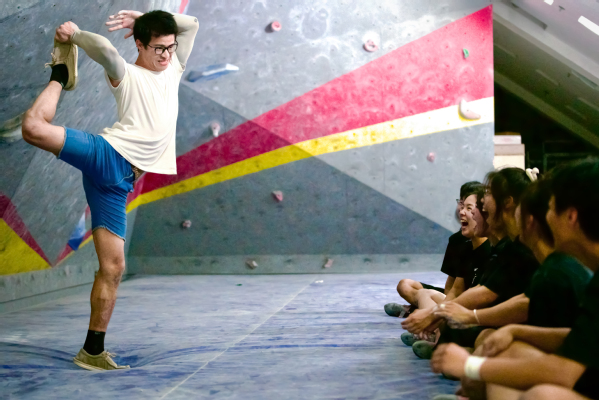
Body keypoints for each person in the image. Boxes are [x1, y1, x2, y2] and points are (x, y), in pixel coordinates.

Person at [21, 9, 199, 370]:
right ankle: (60, 74)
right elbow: (106, 50)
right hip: (108, 156)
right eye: (158, 48)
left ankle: (92, 350)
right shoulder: (127, 74)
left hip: (119, 185)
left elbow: (192, 24)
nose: (166, 55)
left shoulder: (174, 68)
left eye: (170, 47)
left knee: (114, 268)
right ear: (140, 45)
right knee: (34, 128)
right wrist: (75, 35)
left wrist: (144, 17)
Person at [430, 158, 599, 400]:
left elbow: (564, 371)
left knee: (542, 394)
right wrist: (516, 331)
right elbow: (581, 338)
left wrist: (470, 366)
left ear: (571, 217)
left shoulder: (556, 271)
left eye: (551, 208)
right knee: (507, 348)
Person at [404, 168, 540, 359]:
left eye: (488, 193)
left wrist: (440, 314)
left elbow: (489, 295)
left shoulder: (528, 249)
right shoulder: (510, 247)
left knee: (483, 337)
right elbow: (470, 290)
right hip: (512, 326)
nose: (482, 202)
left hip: (527, 335)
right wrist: (443, 313)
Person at [384, 182, 481, 318]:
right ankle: (426, 311)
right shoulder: (461, 243)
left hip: (475, 307)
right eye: (461, 204)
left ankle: (419, 311)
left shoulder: (497, 247)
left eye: (468, 207)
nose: (461, 211)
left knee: (426, 298)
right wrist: (445, 307)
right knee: (409, 287)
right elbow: (454, 289)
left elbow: (487, 295)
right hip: (460, 300)